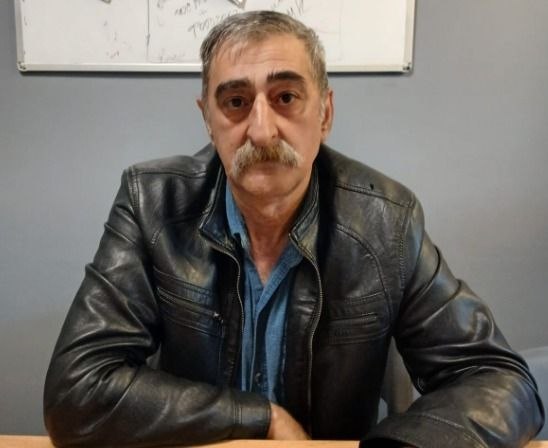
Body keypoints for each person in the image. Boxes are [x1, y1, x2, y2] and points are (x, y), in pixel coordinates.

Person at [44, 10, 544, 448]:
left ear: (324, 112)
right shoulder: (152, 204)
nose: (261, 130)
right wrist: (260, 418)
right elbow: (75, 391)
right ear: (207, 120)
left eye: (285, 97)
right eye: (235, 102)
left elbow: (500, 380)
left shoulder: (387, 222)